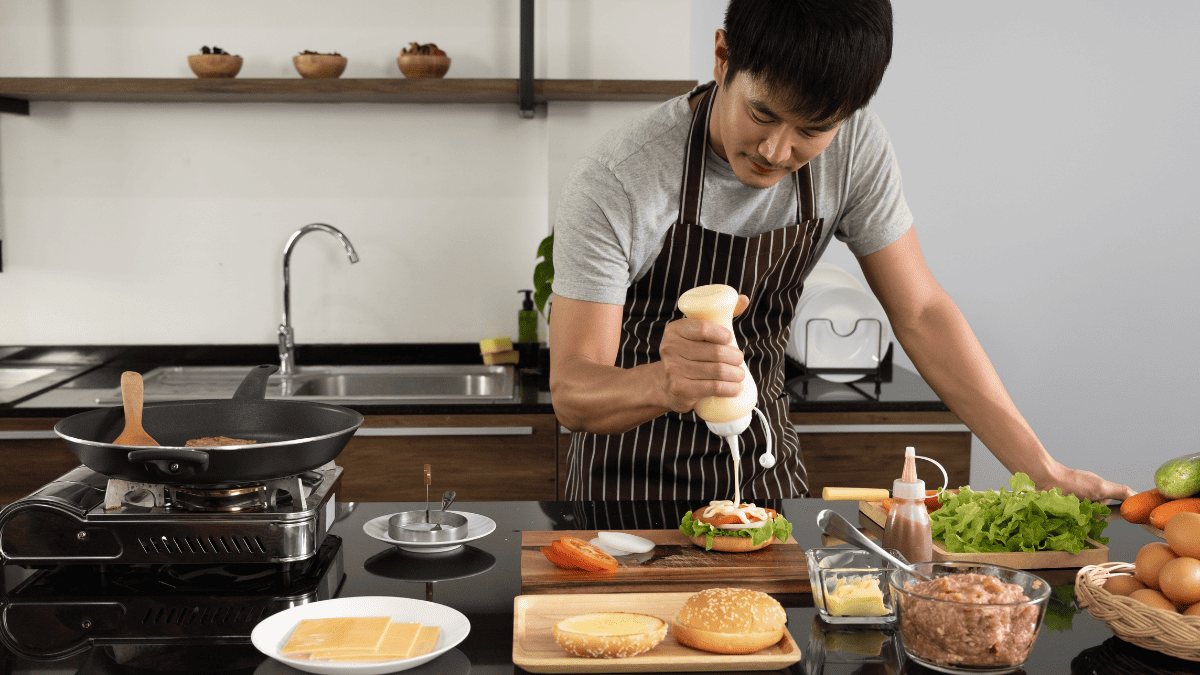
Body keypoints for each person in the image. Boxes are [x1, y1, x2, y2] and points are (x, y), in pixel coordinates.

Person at [548, 0, 1134, 505]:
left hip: (763, 479)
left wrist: (1042, 471)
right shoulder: (621, 178)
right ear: (723, 57)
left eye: (813, 128)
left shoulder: (854, 149)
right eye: (762, 113)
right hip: (619, 499)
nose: (777, 151)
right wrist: (662, 383)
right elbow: (573, 390)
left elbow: (923, 313)